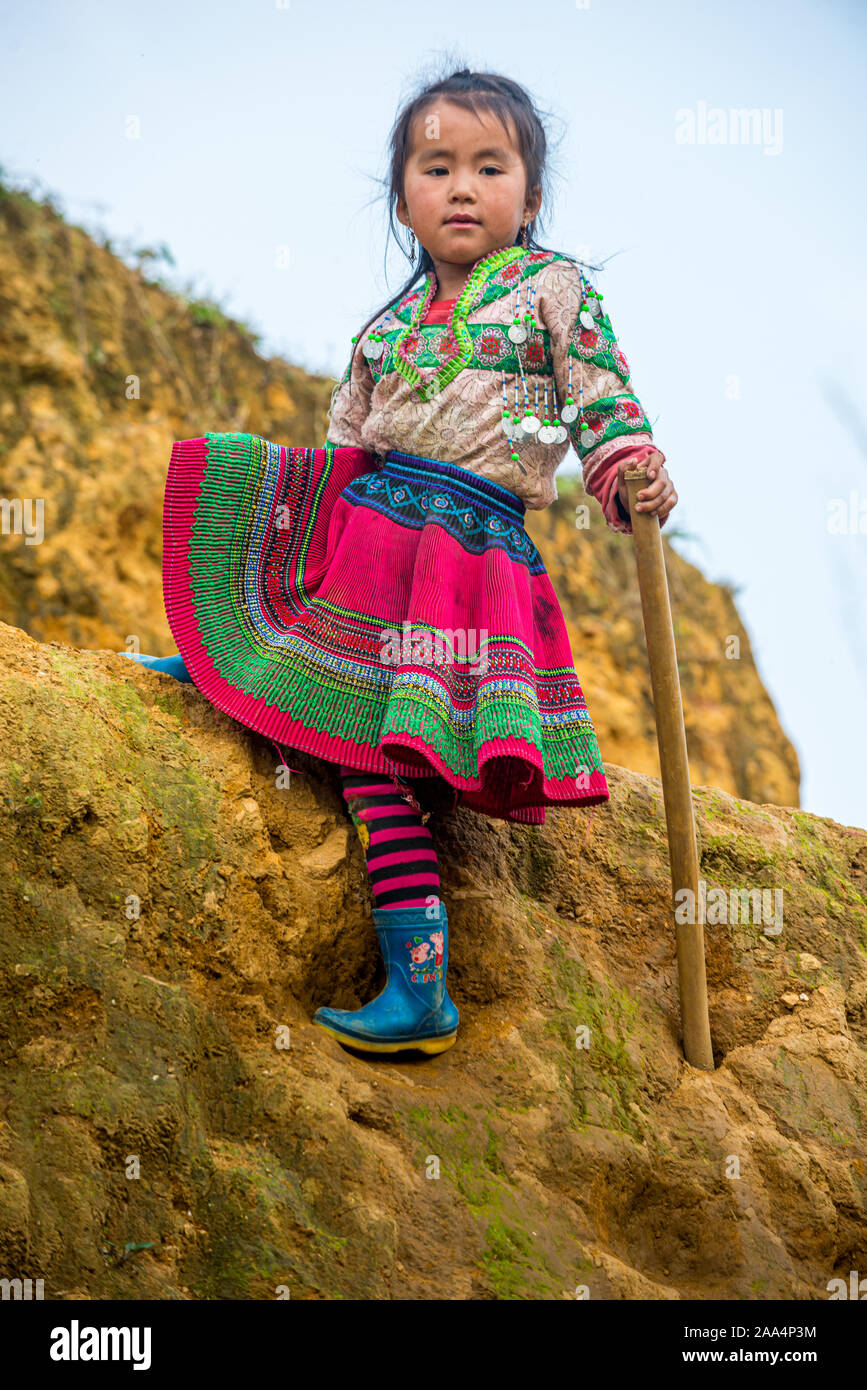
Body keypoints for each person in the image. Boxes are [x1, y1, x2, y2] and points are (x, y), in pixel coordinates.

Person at [118, 66, 678, 1058]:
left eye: (489, 166)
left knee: (382, 761)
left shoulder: (554, 289)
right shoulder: (382, 330)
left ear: (531, 196)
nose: (462, 187)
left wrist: (628, 466)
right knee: (264, 482)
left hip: (467, 557)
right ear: (404, 197)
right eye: (436, 166)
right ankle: (225, 661)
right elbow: (341, 453)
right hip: (373, 541)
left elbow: (601, 396)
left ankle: (421, 992)